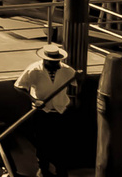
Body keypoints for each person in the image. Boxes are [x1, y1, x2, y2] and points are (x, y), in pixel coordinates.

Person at [15, 43, 76, 177]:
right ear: (45, 60)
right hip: (42, 112)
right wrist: (34, 100)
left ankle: (61, 170)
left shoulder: (67, 70)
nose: (55, 64)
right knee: (42, 143)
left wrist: (74, 93)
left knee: (61, 143)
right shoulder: (34, 70)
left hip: (61, 111)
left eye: (56, 62)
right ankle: (43, 168)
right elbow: (19, 86)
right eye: (52, 62)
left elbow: (77, 83)